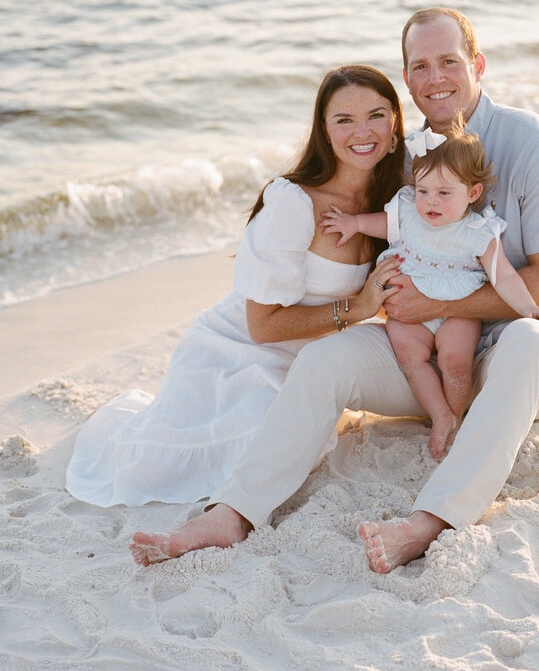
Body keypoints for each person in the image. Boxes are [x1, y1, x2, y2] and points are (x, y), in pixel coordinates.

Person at [130, 8, 539, 573]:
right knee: (326, 358)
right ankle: (233, 513)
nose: (436, 77)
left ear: (478, 66)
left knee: (530, 342)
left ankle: (431, 522)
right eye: (419, 66)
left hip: (525, 362)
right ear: (407, 81)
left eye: (450, 61)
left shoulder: (538, 146)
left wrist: (444, 305)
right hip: (427, 350)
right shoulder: (407, 162)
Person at [66, 65, 405, 508]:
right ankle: (118, 422)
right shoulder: (294, 203)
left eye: (376, 115)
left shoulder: (395, 201)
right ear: (324, 130)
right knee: (185, 459)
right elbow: (262, 326)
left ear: (395, 123)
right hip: (237, 353)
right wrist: (357, 308)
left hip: (314, 361)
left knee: (293, 433)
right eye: (344, 120)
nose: (363, 132)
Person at [320, 124, 539, 460]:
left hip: (456, 310)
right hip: (407, 306)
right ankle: (440, 416)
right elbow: (378, 223)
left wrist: (529, 308)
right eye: (423, 191)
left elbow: (503, 276)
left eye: (444, 193)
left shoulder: (478, 232)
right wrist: (353, 223)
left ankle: (457, 417)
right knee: (410, 358)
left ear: (473, 193)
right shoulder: (407, 212)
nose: (430, 201)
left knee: (455, 362)